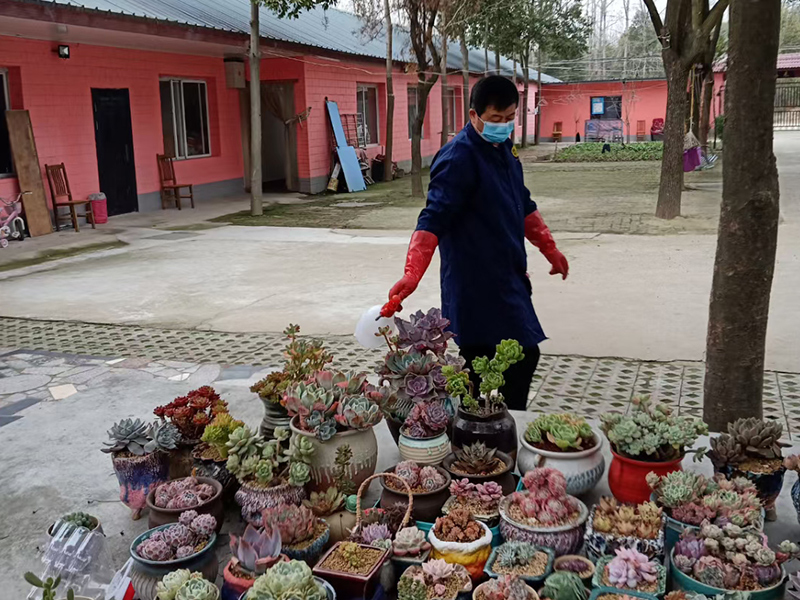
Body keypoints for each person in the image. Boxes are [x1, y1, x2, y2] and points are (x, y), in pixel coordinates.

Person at [380, 75, 569, 411]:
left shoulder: (504, 150)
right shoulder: (458, 158)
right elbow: (432, 218)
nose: (504, 125)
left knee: (518, 359)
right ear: (474, 115)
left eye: (510, 118)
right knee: (491, 365)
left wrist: (549, 249)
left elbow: (522, 203)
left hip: (508, 275)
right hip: (474, 283)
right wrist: (412, 274)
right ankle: (484, 428)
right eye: (496, 119)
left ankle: (497, 424)